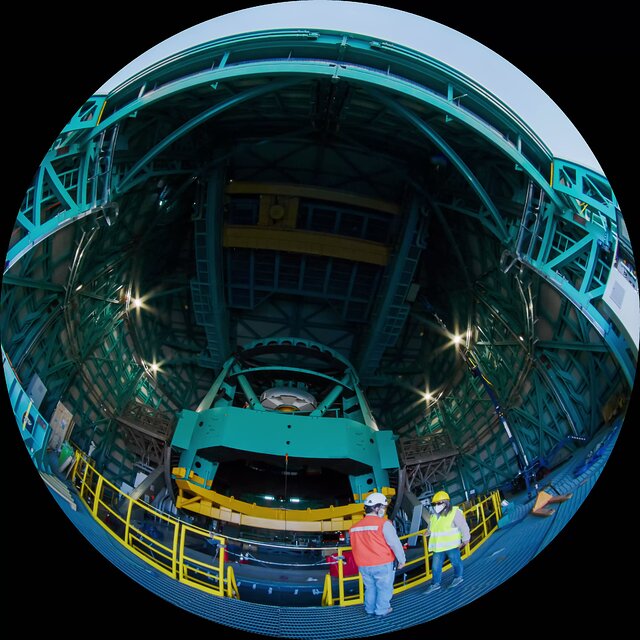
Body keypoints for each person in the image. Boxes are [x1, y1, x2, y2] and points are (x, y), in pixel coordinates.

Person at [349, 492, 406, 618]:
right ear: (376, 508)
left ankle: (369, 609)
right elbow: (395, 544)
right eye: (383, 507)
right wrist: (402, 560)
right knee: (384, 588)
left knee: (370, 588)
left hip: (363, 565)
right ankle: (382, 610)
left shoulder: (354, 528)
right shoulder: (384, 524)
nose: (383, 510)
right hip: (382, 563)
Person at [424, 490, 470, 593]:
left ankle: (458, 577)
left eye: (439, 503)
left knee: (456, 562)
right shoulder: (434, 516)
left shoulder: (454, 512)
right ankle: (435, 584)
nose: (436, 505)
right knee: (435, 567)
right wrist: (428, 532)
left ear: (446, 502)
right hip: (438, 547)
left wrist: (466, 539)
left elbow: (463, 526)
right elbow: (431, 528)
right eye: (435, 504)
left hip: (452, 546)